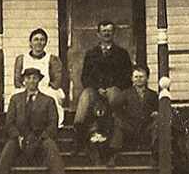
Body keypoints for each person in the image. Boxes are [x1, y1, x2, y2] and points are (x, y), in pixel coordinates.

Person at [0, 66, 68, 174]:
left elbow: (52, 124)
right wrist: (17, 136)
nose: (31, 81)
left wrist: (42, 137)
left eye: (34, 78)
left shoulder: (48, 101)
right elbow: (9, 122)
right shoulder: (15, 99)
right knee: (10, 146)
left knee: (50, 145)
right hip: (20, 137)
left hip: (40, 137)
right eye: (28, 78)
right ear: (23, 81)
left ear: (39, 80)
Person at [74, 20, 133, 148]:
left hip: (115, 91)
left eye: (109, 31)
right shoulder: (91, 54)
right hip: (96, 91)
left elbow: (128, 77)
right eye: (104, 31)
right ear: (98, 34)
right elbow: (85, 77)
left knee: (112, 94)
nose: (107, 34)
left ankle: (109, 126)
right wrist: (98, 88)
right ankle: (78, 128)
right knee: (86, 94)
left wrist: (112, 87)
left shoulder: (122, 53)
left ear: (114, 34)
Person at [11, 27, 65, 124]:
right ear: (30, 42)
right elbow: (17, 81)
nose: (39, 43)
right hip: (26, 88)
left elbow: (57, 81)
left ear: (45, 43)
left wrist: (44, 89)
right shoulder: (22, 59)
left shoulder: (52, 59)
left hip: (45, 88)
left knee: (52, 97)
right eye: (36, 39)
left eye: (42, 40)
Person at [107, 65, 159, 163]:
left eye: (141, 77)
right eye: (136, 77)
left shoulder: (153, 94)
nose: (138, 79)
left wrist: (156, 113)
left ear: (147, 78)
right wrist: (121, 117)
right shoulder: (126, 93)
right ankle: (113, 155)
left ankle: (155, 155)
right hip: (131, 129)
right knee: (118, 123)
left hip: (146, 129)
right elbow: (116, 108)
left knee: (157, 124)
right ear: (132, 78)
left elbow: (158, 108)